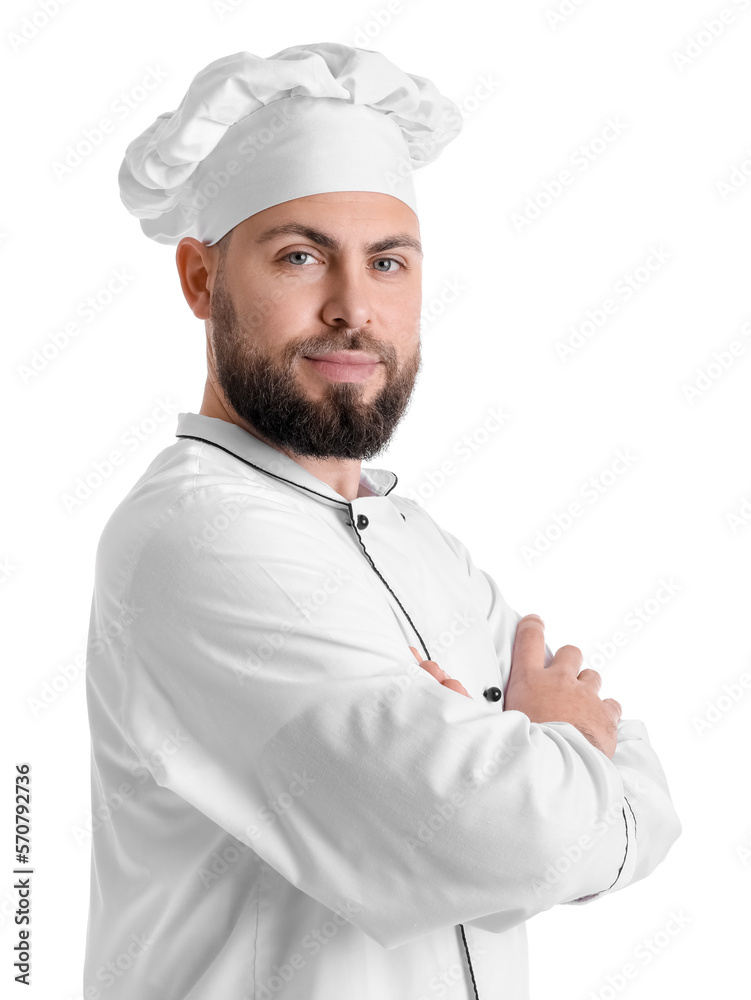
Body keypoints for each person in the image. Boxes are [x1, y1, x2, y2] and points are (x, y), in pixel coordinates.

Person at [83, 41, 682, 1000]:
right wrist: (531, 753)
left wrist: (534, 758)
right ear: (201, 280)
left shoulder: (421, 545)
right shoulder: (199, 541)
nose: (353, 308)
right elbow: (514, 837)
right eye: (299, 256)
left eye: (388, 262)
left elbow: (635, 800)